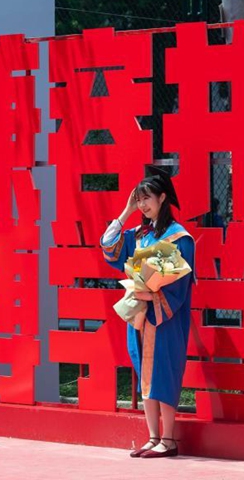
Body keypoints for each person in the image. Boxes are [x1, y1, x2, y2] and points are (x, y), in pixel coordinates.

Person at [99, 166, 195, 459]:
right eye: (138, 200)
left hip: (165, 317)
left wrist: (154, 296)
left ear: (162, 198)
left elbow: (180, 281)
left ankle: (169, 438)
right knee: (146, 375)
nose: (142, 204)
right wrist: (125, 212)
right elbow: (108, 247)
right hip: (141, 316)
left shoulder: (180, 238)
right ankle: (153, 437)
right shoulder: (139, 234)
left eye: (146, 198)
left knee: (164, 373)